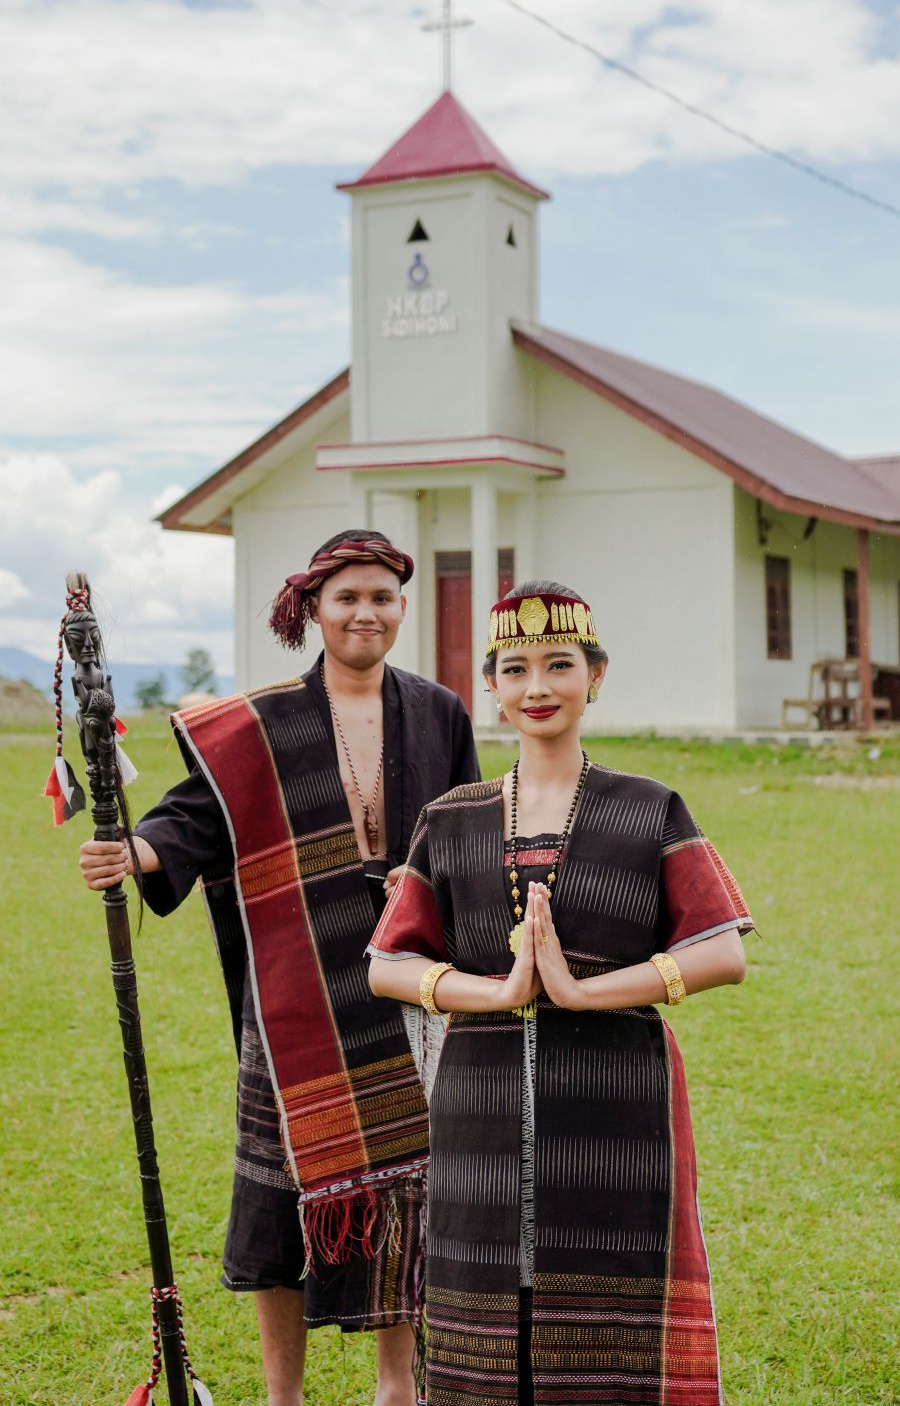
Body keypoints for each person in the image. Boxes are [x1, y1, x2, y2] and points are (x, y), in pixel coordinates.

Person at [79, 530, 479, 1406]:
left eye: (382, 597)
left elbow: (466, 831)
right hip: (292, 982)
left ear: (401, 608)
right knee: (277, 1192)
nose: (366, 612)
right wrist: (134, 852)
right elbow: (195, 817)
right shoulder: (259, 725)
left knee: (408, 1189)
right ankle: (281, 1397)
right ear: (313, 609)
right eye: (348, 598)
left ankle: (398, 1387)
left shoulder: (440, 711)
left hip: (408, 975)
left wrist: (457, 907)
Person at [369, 580, 753, 1406]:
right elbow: (387, 964)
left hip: (619, 1099)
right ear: (493, 687)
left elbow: (722, 951)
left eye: (559, 665)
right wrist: (497, 991)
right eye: (516, 669)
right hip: (478, 1100)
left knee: (617, 1310)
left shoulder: (650, 809)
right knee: (479, 1309)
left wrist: (581, 992)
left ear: (596, 676)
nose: (537, 686)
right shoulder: (452, 818)